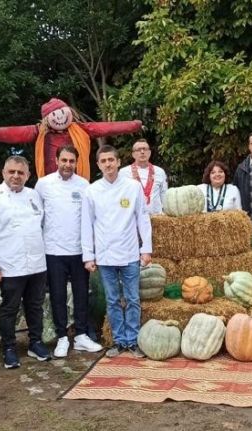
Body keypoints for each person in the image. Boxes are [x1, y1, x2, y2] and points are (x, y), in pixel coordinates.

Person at [0, 156, 51, 368]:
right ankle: (9, 348)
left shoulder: (34, 196)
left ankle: (35, 342)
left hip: (36, 263)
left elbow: (42, 225)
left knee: (35, 306)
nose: (16, 176)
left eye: (21, 173)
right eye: (12, 172)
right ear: (3, 173)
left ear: (28, 175)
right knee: (9, 309)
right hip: (9, 265)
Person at [82, 145, 152, 358]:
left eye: (111, 160)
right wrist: (88, 255)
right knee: (112, 300)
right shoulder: (92, 190)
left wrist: (146, 248)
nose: (108, 164)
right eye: (103, 161)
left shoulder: (132, 187)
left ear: (119, 162)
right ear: (98, 165)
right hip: (105, 255)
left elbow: (142, 217)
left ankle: (133, 340)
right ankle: (119, 341)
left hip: (130, 253)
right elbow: (87, 224)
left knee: (132, 298)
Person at [0, 97, 142, 180]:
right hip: (50, 183)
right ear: (46, 118)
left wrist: (134, 125)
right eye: (54, 114)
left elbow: (109, 127)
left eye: (61, 112)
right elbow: (10, 133)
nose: (59, 117)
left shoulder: (81, 129)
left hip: (78, 180)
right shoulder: (38, 131)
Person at [35, 146, 103, 358]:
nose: (67, 165)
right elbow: (37, 217)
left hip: (78, 250)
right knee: (57, 295)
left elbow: (91, 220)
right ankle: (62, 337)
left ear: (76, 163)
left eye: (71, 161)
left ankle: (82, 335)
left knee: (82, 294)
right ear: (56, 160)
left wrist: (90, 250)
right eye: (64, 160)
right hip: (53, 250)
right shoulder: (43, 184)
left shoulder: (84, 186)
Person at [119, 138, 168, 214]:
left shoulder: (159, 171)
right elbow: (121, 197)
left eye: (145, 149)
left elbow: (164, 195)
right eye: (138, 150)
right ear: (133, 154)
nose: (142, 152)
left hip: (157, 218)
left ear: (149, 153)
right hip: (134, 219)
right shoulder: (124, 172)